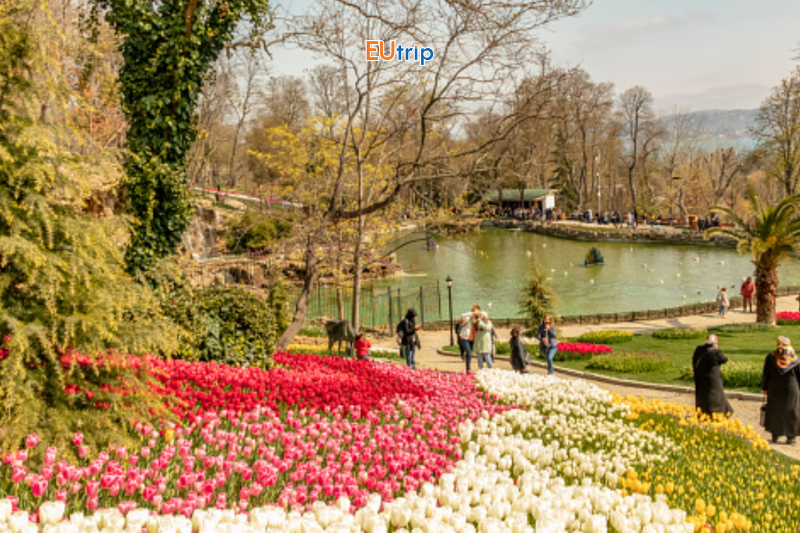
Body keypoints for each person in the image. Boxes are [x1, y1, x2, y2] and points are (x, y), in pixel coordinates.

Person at [761, 336, 800, 444]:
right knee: (791, 410)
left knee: (775, 410)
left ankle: (775, 435)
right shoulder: (795, 359)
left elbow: (766, 374)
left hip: (775, 387)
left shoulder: (771, 357)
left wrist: (764, 387)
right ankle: (791, 437)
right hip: (791, 387)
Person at [692, 334, 733, 417]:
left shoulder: (699, 350)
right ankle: (716, 413)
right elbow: (724, 359)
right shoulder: (716, 352)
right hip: (712, 378)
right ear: (714, 344)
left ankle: (702, 412)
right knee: (715, 396)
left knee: (702, 395)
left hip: (700, 377)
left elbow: (694, 360)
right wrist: (717, 349)